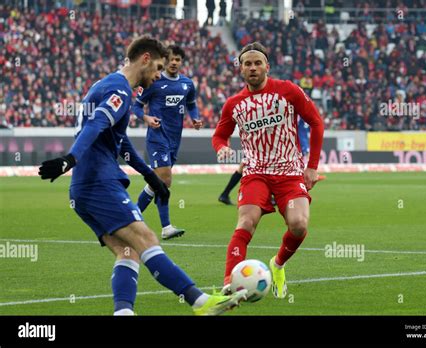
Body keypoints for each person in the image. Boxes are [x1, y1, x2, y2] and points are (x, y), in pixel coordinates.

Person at [39, 35, 246, 315]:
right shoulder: (120, 90)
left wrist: (149, 176)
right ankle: (199, 302)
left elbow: (119, 141)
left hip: (83, 188)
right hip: (98, 180)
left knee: (128, 252)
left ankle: (123, 313)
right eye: (158, 67)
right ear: (145, 59)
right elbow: (98, 122)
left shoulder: (108, 84)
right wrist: (69, 159)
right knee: (147, 239)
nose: (159, 75)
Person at [212, 42, 325, 298]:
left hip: (289, 171)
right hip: (256, 173)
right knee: (245, 222)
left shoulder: (288, 91)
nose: (252, 68)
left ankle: (278, 264)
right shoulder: (234, 104)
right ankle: (230, 282)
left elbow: (316, 123)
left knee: (299, 225)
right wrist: (221, 148)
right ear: (240, 69)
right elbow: (220, 135)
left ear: (267, 67)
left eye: (257, 63)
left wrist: (312, 168)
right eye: (247, 64)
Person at [132, 45, 203, 240]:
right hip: (157, 137)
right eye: (171, 59)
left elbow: (191, 103)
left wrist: (195, 118)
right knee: (165, 180)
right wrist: (146, 118)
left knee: (158, 184)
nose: (174, 63)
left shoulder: (187, 84)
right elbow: (136, 106)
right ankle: (164, 226)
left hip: (174, 140)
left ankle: (132, 218)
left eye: (178, 59)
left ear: (181, 62)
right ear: (165, 61)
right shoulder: (153, 81)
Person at [218, 119, 309, 205]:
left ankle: (225, 194)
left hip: (259, 143)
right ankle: (226, 194)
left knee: (244, 167)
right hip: (263, 145)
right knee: (265, 167)